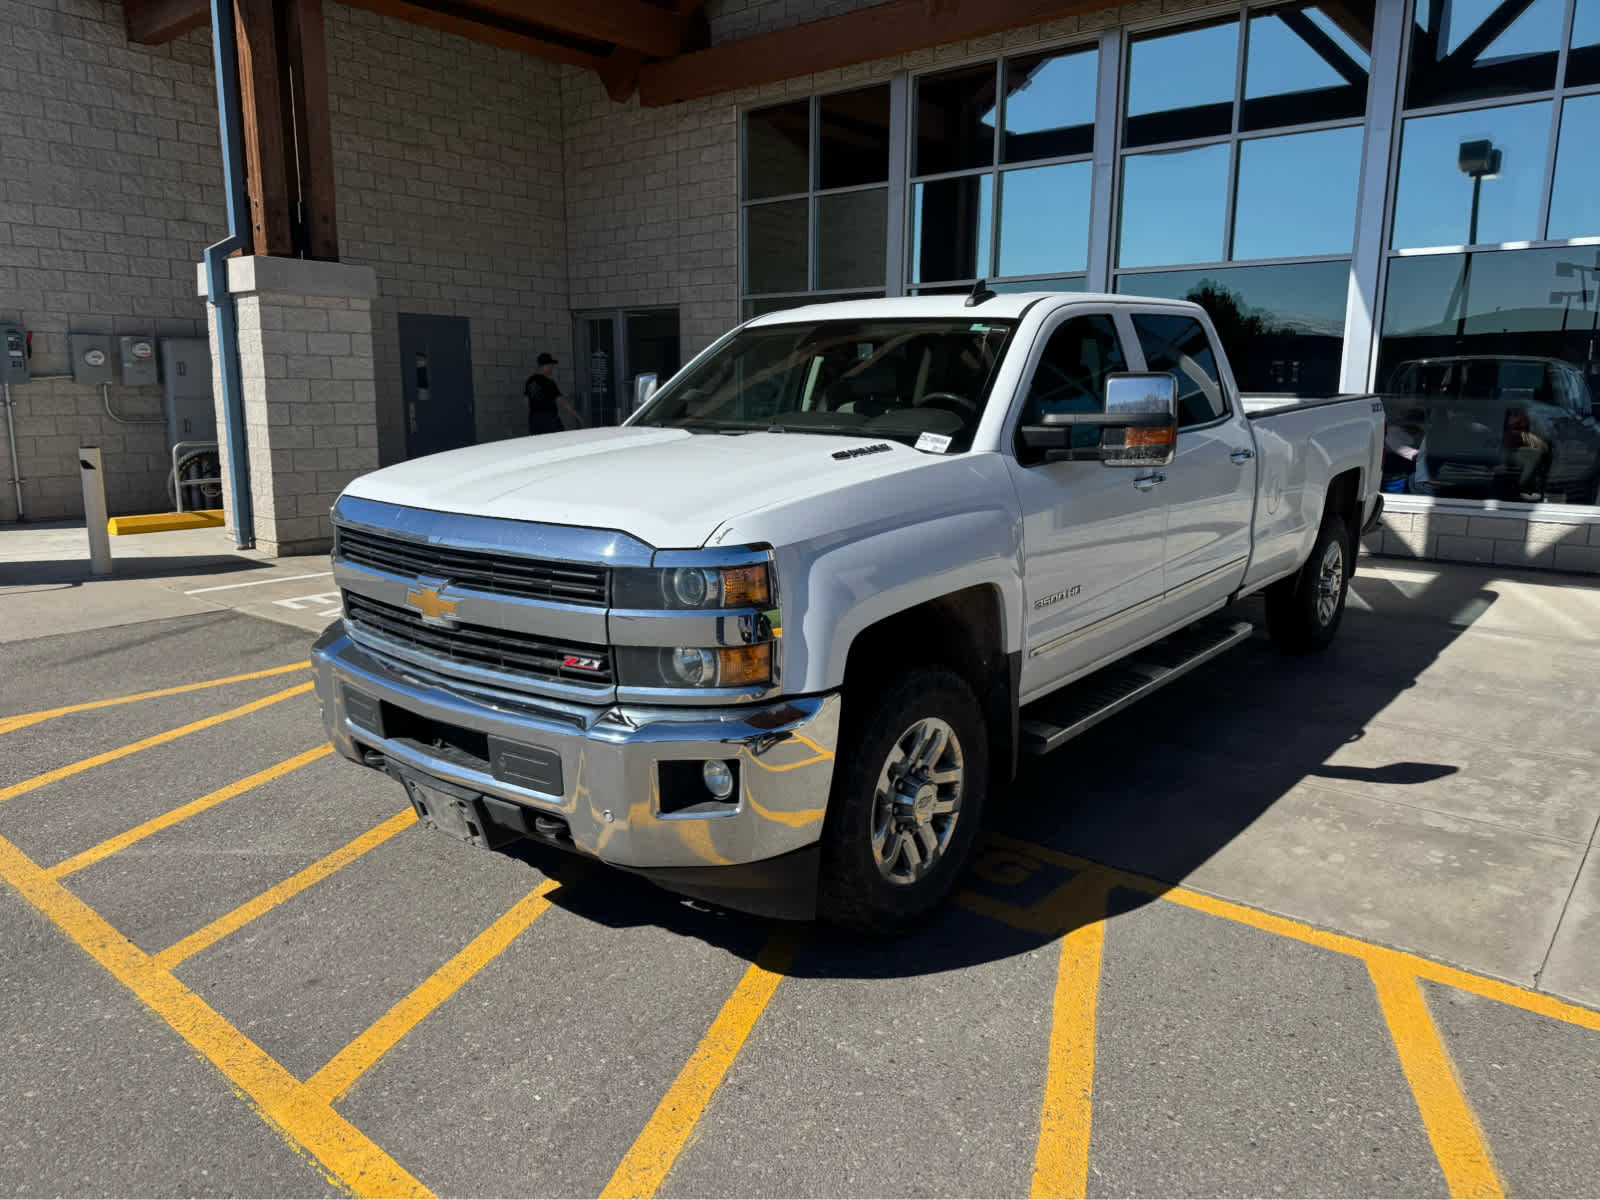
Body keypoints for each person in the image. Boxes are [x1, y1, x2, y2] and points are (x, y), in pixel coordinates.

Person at [525, 353, 584, 435]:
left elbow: (527, 401)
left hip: (534, 420)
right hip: (549, 419)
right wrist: (578, 416)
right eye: (551, 366)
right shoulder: (548, 383)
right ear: (545, 366)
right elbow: (562, 402)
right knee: (560, 441)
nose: (552, 368)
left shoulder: (529, 381)